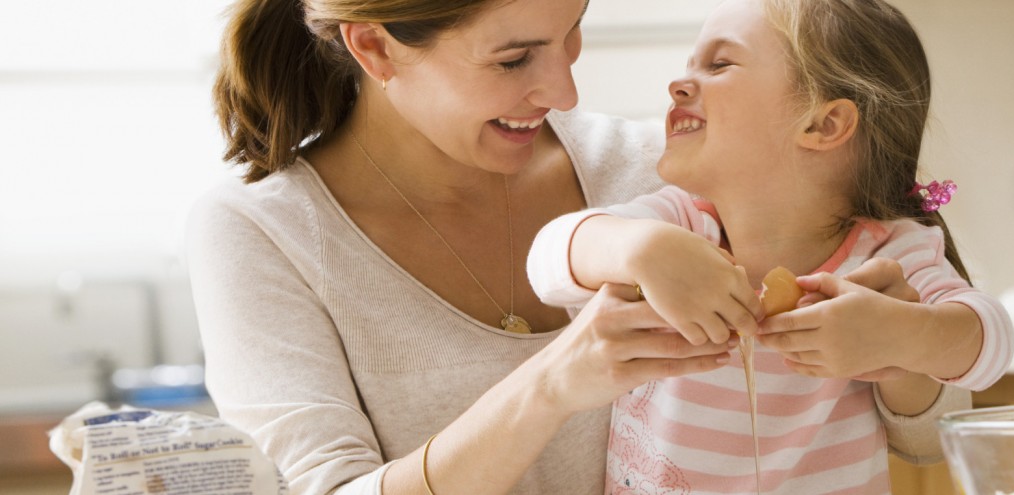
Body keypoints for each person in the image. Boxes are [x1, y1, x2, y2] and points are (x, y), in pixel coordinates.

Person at [188, 0, 746, 493]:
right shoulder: (261, 229)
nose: (564, 92)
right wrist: (549, 386)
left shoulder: (661, 171)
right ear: (375, 47)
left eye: (572, 30)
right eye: (513, 59)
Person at [526, 0, 1014, 492]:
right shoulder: (676, 225)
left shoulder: (886, 257)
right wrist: (636, 248)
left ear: (823, 125)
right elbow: (547, 259)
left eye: (719, 64)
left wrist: (900, 335)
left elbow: (991, 342)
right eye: (691, 63)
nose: (679, 83)